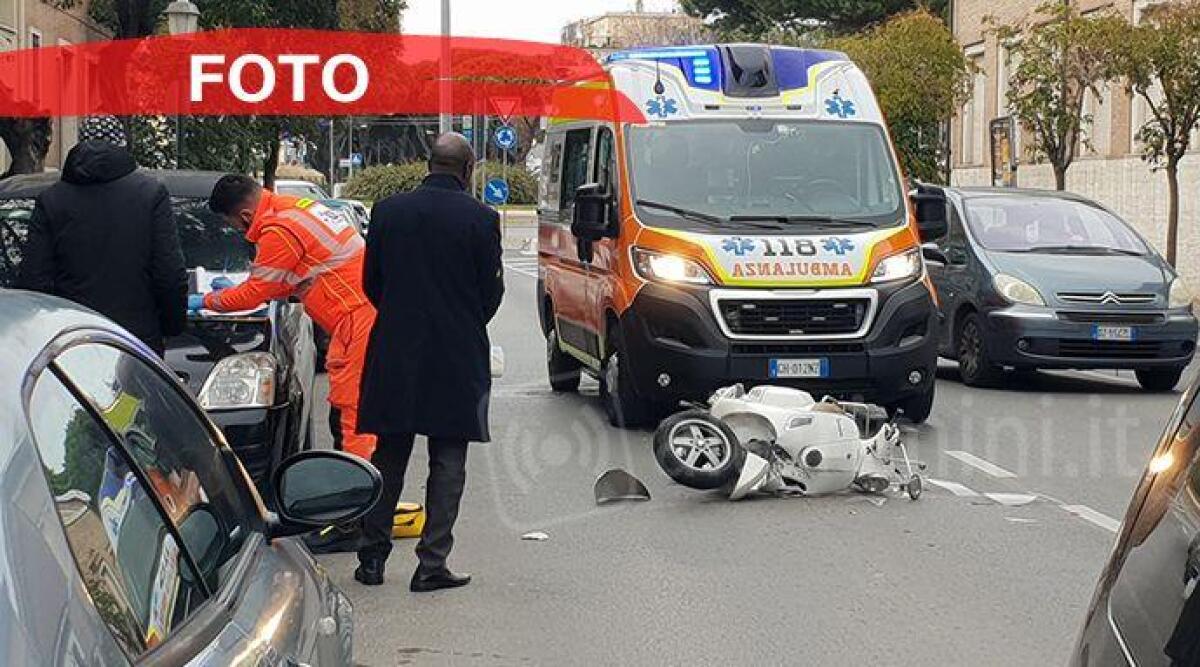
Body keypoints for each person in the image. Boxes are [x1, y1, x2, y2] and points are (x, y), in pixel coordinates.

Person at [355, 132, 504, 591]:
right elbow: (491, 292)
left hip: (396, 348)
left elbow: (372, 283)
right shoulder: (482, 219)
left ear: (428, 164)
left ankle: (373, 558)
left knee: (389, 454)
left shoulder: (389, 212)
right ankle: (431, 563)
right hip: (456, 354)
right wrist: (463, 322)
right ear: (468, 168)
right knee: (448, 459)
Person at [199, 175, 377, 463]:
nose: (237, 231)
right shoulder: (293, 208)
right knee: (352, 410)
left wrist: (207, 301)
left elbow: (255, 294)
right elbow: (288, 276)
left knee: (354, 412)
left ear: (244, 215)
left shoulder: (277, 230)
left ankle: (362, 490)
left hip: (354, 321)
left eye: (233, 225)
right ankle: (359, 478)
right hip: (359, 313)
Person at [17, 116, 187, 355]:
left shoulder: (51, 200)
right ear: (122, 144)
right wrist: (172, 327)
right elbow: (169, 274)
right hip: (134, 342)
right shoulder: (150, 195)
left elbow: (34, 278)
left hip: (71, 341)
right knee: (132, 394)